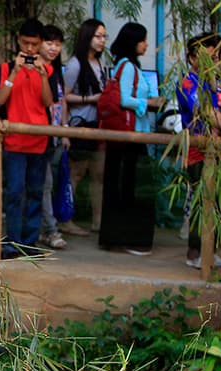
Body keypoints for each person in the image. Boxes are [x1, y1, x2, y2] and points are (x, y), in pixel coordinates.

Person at [176, 32, 221, 269]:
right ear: (192, 57)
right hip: (200, 149)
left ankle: (211, 249)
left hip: (220, 149)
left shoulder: (214, 81)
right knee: (203, 201)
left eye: (215, 55)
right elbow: (209, 114)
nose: (214, 59)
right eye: (208, 55)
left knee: (220, 202)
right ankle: (195, 252)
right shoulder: (188, 82)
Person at [98, 22, 163, 255]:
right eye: (143, 40)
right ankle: (126, 238)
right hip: (128, 137)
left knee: (126, 185)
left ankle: (121, 237)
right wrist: (149, 103)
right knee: (129, 186)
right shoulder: (127, 67)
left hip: (131, 136)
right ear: (133, 42)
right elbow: (125, 99)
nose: (146, 44)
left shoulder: (128, 66)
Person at [0, 18, 52, 259]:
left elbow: (48, 102)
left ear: (40, 45)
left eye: (34, 44)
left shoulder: (47, 69)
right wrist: (16, 71)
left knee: (36, 191)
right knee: (15, 191)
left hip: (39, 139)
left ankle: (30, 242)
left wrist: (43, 75)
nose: (29, 49)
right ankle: (12, 243)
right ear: (19, 41)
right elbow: (0, 99)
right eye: (26, 43)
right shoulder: (6, 68)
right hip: (14, 140)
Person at [62, 18, 106, 236]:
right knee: (76, 173)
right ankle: (66, 218)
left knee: (99, 173)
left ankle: (98, 220)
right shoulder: (75, 64)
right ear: (87, 37)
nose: (102, 41)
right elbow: (65, 96)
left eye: (104, 37)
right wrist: (91, 98)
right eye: (98, 36)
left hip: (97, 124)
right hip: (80, 123)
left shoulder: (99, 63)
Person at [38, 24, 69, 250]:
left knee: (50, 183)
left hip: (56, 134)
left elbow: (62, 101)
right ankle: (51, 229)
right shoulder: (35, 69)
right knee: (45, 183)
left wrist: (65, 128)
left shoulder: (57, 72)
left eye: (58, 44)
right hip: (39, 134)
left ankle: (43, 228)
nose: (54, 48)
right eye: (49, 43)